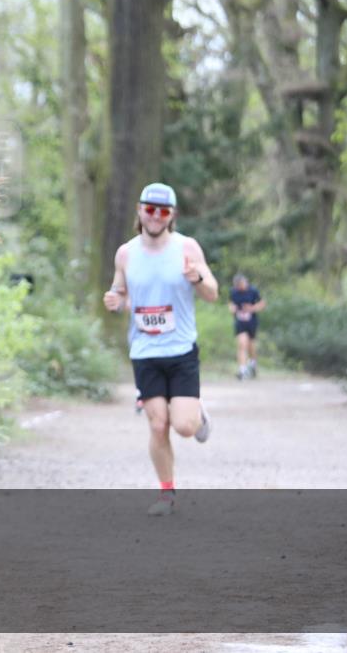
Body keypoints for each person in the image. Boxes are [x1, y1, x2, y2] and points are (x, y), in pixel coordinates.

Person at [102, 182, 219, 516]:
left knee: (183, 426)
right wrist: (116, 299)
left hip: (181, 349)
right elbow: (120, 292)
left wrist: (197, 277)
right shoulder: (125, 253)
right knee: (157, 425)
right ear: (140, 211)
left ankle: (196, 414)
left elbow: (213, 292)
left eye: (163, 211)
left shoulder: (187, 248)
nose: (155, 217)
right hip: (144, 352)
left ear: (172, 216)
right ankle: (166, 493)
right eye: (149, 210)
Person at [228, 273, 265, 379]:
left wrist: (252, 308)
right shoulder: (234, 292)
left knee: (251, 345)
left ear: (245, 282)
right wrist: (232, 308)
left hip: (251, 322)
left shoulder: (253, 291)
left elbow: (262, 303)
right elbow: (231, 303)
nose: (240, 287)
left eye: (241, 284)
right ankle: (242, 370)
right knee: (241, 344)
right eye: (237, 285)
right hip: (240, 322)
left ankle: (253, 363)